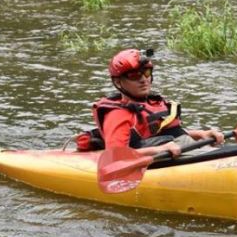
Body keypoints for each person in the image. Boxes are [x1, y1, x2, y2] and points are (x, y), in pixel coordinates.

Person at [90, 48, 224, 159]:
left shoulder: (152, 104)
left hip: (178, 153)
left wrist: (201, 134)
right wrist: (159, 149)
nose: (143, 80)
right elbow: (115, 156)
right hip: (158, 162)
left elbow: (168, 133)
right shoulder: (117, 114)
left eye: (146, 72)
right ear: (118, 82)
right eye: (134, 75)